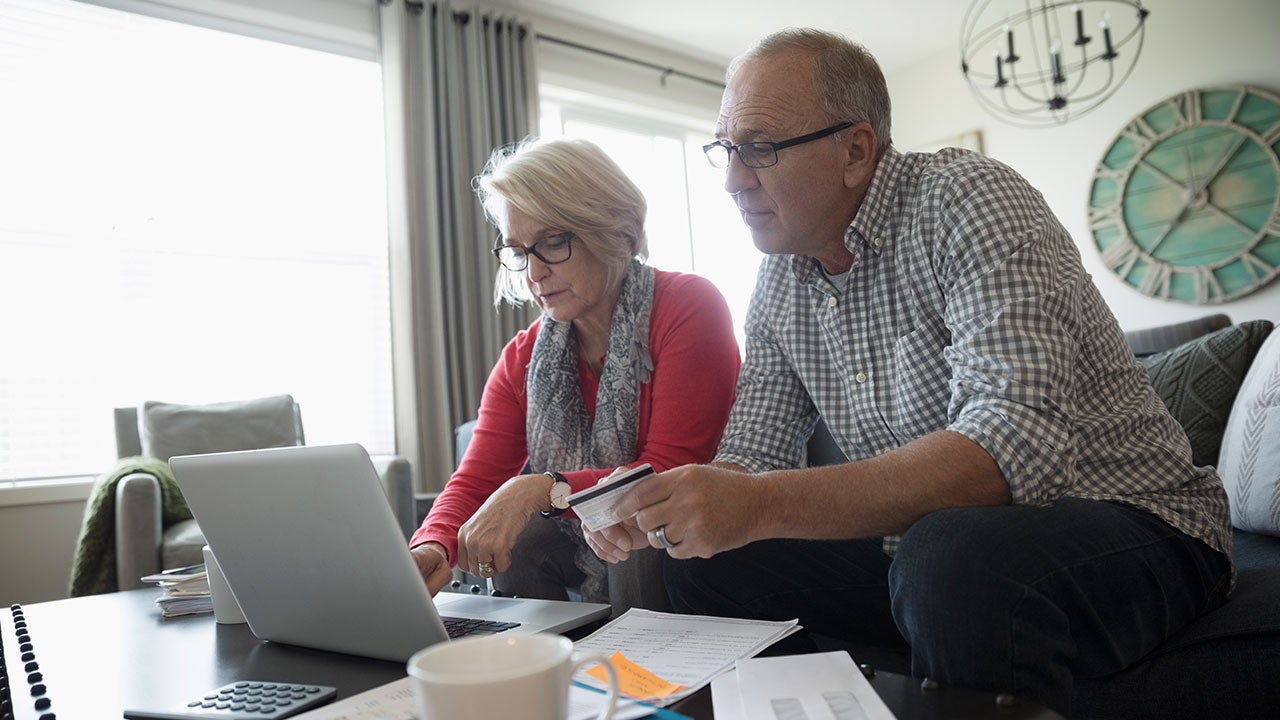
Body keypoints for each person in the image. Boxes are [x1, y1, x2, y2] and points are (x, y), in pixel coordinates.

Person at [584, 28, 1232, 715]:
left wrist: (760, 503)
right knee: (715, 559)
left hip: (1145, 528)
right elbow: (751, 458)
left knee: (953, 556)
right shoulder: (777, 281)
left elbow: (1009, 452)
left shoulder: (967, 200)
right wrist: (674, 507)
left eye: (760, 149)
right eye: (726, 149)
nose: (732, 179)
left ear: (856, 150)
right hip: (927, 550)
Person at [408, 137, 741, 610]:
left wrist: (542, 488)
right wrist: (433, 545)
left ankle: (646, 674)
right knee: (526, 539)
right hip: (599, 548)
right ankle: (545, 666)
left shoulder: (689, 306)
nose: (534, 274)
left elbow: (671, 471)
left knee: (627, 520)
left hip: (699, 544)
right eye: (520, 251)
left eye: (553, 242)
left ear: (616, 230)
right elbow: (475, 480)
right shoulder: (522, 357)